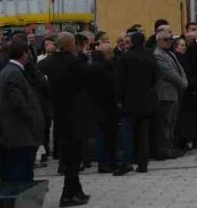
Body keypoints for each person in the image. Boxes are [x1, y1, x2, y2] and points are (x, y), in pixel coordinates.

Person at [44, 32, 94, 206]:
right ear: (68, 45)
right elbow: (88, 80)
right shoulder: (74, 62)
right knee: (74, 158)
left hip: (59, 116)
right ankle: (67, 195)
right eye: (73, 43)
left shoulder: (46, 63)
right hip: (76, 115)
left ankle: (76, 191)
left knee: (69, 157)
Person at [0, 36, 44, 183]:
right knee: (22, 175)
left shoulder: (10, 71)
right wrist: (33, 121)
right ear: (24, 54)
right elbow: (19, 103)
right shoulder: (13, 73)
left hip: (19, 134)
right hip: (20, 135)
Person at [114, 30, 158, 173]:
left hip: (129, 101)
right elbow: (156, 76)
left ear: (132, 42)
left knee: (127, 132)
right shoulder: (149, 55)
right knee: (143, 133)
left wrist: (118, 99)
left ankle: (126, 162)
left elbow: (120, 81)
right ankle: (143, 163)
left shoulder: (125, 57)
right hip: (145, 100)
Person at [153, 31, 189, 158]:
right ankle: (165, 149)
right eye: (165, 40)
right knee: (165, 123)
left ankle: (171, 147)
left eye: (169, 39)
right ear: (159, 41)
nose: (169, 42)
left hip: (175, 92)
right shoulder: (158, 54)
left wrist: (184, 80)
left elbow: (179, 69)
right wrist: (182, 82)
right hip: (166, 93)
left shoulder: (170, 53)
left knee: (172, 122)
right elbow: (168, 72)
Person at [87, 39, 120, 171]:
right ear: (105, 54)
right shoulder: (104, 69)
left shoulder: (91, 66)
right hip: (106, 106)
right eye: (111, 53)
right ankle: (107, 162)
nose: (113, 56)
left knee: (102, 135)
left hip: (96, 107)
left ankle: (105, 161)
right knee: (106, 136)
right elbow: (112, 87)